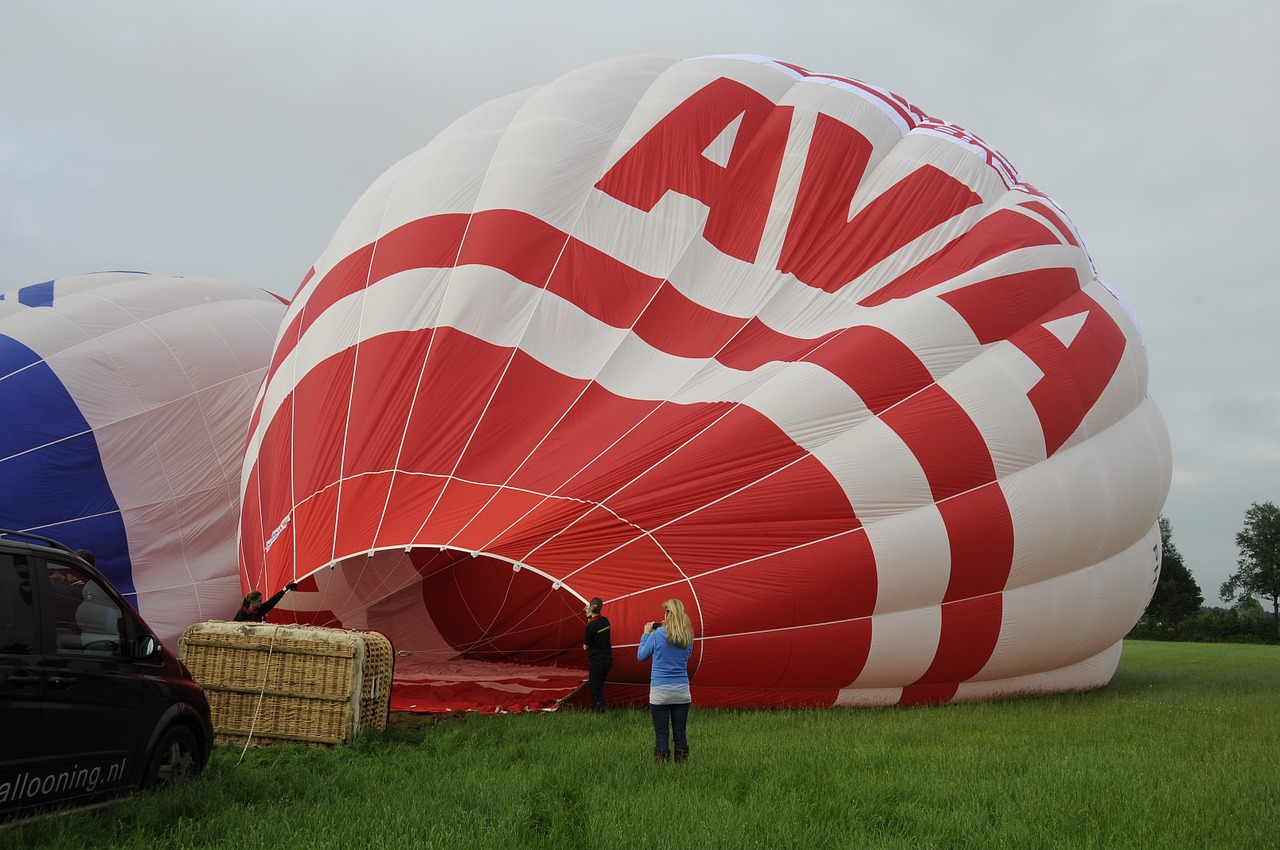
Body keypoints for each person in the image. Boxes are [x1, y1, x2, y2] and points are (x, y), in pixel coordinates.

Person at [637, 598, 694, 764]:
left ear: (668, 614)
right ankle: (682, 767)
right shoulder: (687, 636)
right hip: (682, 690)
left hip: (660, 691)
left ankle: (661, 770)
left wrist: (646, 634)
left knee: (662, 734)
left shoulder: (657, 635)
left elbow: (641, 656)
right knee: (680, 733)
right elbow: (686, 657)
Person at [581, 597, 613, 713]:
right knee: (599, 688)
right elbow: (596, 624)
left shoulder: (590, 626)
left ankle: (602, 712)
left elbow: (585, 647)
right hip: (608, 660)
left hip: (597, 662)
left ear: (590, 607)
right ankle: (601, 711)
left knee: (595, 691)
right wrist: (589, 616)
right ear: (601, 607)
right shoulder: (606, 621)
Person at [234, 582, 298, 622]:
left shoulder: (259, 610)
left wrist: (285, 590)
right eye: (259, 601)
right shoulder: (241, 614)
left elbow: (271, 602)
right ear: (252, 602)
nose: (261, 603)